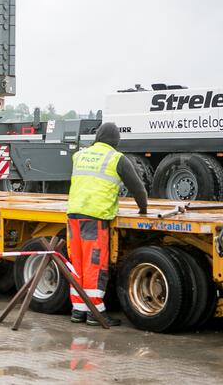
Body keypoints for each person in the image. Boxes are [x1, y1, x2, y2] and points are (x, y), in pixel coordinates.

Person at [67, 122, 147, 327]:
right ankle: (96, 313)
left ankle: (79, 310)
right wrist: (143, 210)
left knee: (78, 265)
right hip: (94, 218)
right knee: (94, 265)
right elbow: (138, 189)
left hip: (73, 216)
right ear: (116, 140)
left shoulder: (80, 155)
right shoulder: (116, 158)